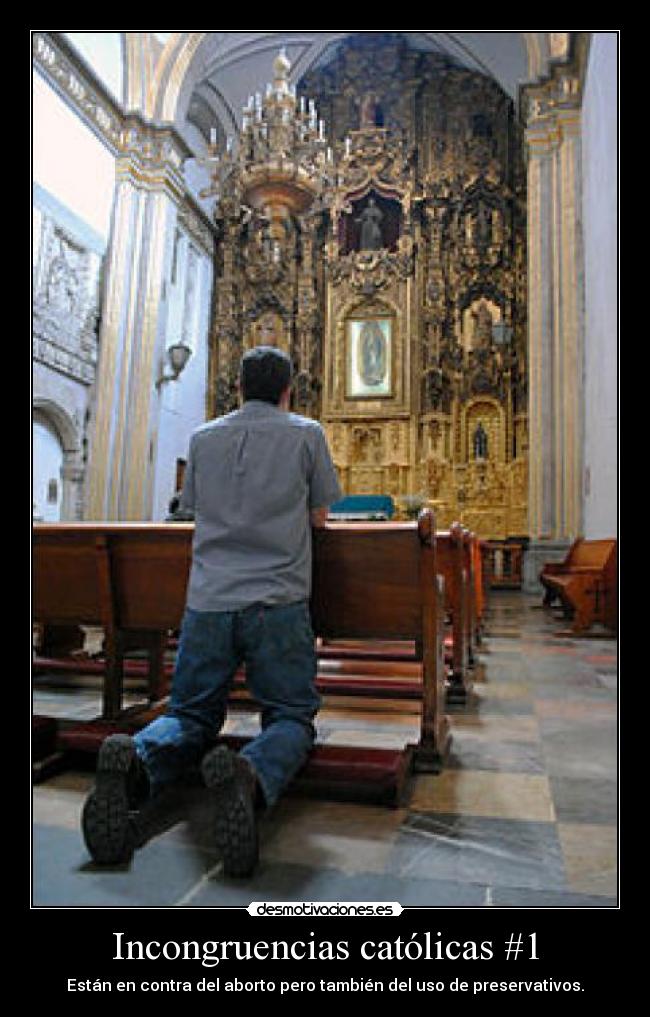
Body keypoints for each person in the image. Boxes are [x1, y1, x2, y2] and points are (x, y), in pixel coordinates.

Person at [81, 346, 342, 877]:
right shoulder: (307, 434)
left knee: (189, 714)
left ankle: (137, 759)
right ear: (288, 389)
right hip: (277, 601)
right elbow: (319, 518)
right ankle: (249, 775)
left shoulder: (202, 438)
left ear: (238, 389)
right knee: (291, 715)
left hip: (208, 600)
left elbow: (190, 510)